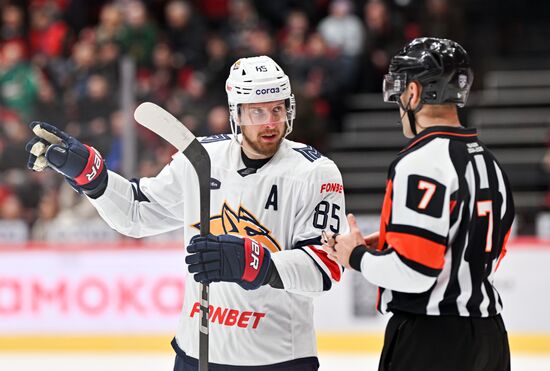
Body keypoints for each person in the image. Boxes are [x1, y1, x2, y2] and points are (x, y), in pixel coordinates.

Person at [25, 55, 348, 370]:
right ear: (235, 112)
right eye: (257, 112)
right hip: (196, 355)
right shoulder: (201, 158)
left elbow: (324, 268)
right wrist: (95, 179)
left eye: (277, 110)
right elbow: (137, 212)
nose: (270, 122)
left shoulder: (315, 173)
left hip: (278, 359)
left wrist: (258, 264)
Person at [322, 37, 515, 371]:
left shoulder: (421, 162)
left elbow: (415, 274)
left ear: (413, 92)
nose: (398, 104)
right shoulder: (489, 163)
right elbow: (481, 255)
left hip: (432, 340)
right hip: (490, 337)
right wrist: (387, 245)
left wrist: (354, 256)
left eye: (400, 92)